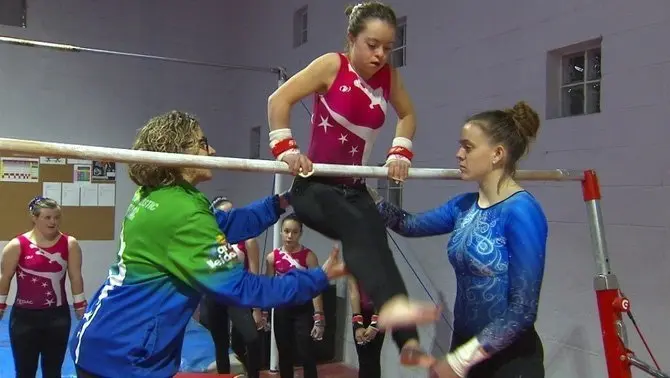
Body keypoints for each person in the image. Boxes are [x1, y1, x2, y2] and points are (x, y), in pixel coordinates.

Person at [68, 110, 347, 378]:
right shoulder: (182, 211)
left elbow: (229, 224)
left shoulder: (161, 195)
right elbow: (242, 288)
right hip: (121, 356)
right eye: (202, 144)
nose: (212, 151)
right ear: (177, 151)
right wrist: (318, 278)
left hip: (105, 340)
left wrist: (284, 201)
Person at [266, 1, 439, 369]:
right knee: (357, 231)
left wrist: (399, 151)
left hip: (354, 188)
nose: (380, 55)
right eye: (372, 45)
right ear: (351, 39)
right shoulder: (332, 65)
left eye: (388, 47)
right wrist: (286, 148)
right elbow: (279, 99)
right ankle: (394, 315)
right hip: (315, 188)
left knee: (378, 245)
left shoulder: (389, 77)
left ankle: (406, 338)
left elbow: (407, 115)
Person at [372, 101, 548, 378]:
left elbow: (523, 311)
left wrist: (459, 362)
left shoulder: (522, 211)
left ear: (497, 154)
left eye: (468, 147)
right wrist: (364, 192)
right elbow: (408, 224)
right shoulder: (463, 206)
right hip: (465, 345)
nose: (458, 154)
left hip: (509, 359)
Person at [0, 196, 87, 378]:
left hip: (57, 317)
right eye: (47, 217)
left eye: (56, 217)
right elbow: (5, 278)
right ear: (34, 217)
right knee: (25, 372)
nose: (53, 222)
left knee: (53, 372)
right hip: (24, 318)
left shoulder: (70, 244)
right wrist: (1, 306)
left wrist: (80, 306)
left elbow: (75, 277)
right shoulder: (16, 246)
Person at [200, 196, 264, 378]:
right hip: (214, 297)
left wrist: (257, 309)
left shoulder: (247, 240)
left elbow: (254, 275)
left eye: (232, 213)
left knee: (251, 339)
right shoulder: (207, 240)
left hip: (237, 297)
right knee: (220, 345)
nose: (229, 218)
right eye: (225, 214)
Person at [264, 214, 326, 378]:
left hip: (303, 311)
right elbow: (268, 287)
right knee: (284, 355)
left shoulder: (308, 256)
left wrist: (319, 316)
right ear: (281, 232)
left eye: (294, 232)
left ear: (300, 234)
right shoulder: (272, 258)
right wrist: (263, 313)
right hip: (281, 310)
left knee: (307, 353)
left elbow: (316, 288)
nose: (290, 236)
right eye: (286, 231)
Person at [348, 275, 384, 378]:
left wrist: (375, 323)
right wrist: (357, 323)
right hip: (361, 313)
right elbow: (353, 291)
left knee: (373, 359)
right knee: (363, 360)